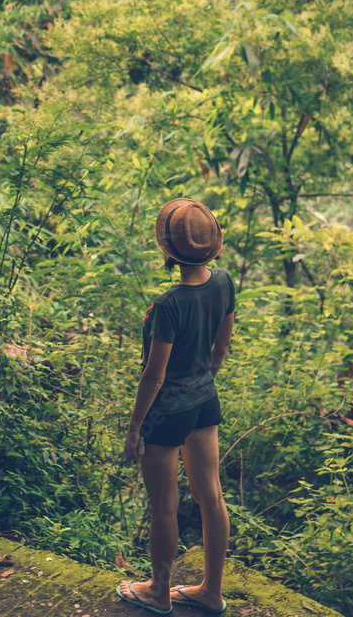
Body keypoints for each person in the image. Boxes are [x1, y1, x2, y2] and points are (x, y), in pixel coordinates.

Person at [116, 198, 235, 615]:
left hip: (167, 413)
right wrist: (205, 376)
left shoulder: (166, 306)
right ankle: (210, 593)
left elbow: (154, 376)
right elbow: (221, 347)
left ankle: (158, 593)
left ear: (166, 251)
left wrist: (134, 428)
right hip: (205, 401)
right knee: (211, 496)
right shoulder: (223, 282)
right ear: (213, 246)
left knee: (164, 506)